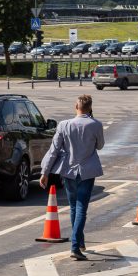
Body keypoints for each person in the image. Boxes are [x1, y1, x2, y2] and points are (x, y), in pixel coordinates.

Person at [40, 94, 105, 261]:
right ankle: (76, 245)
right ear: (90, 108)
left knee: (74, 207)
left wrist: (45, 172)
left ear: (76, 107)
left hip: (68, 171)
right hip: (87, 170)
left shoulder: (64, 125)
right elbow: (100, 146)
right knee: (82, 207)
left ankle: (79, 241)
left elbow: (53, 150)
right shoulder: (95, 124)